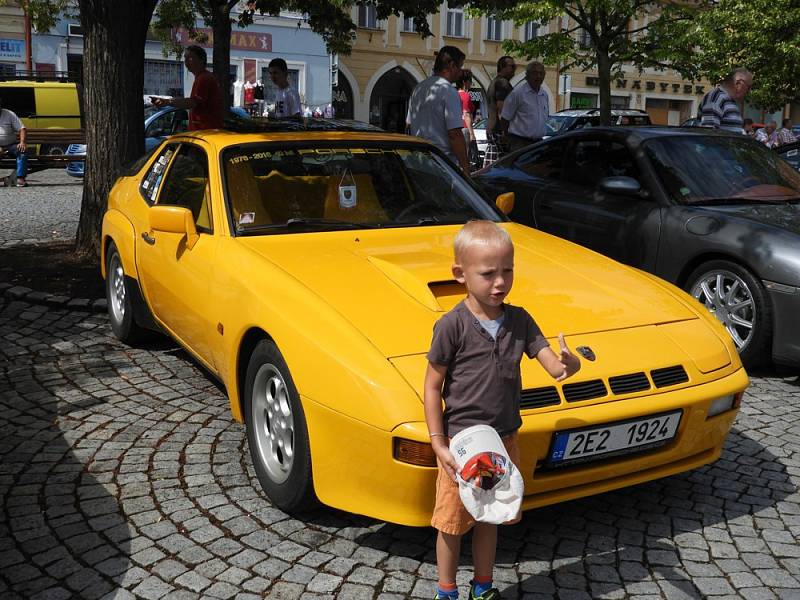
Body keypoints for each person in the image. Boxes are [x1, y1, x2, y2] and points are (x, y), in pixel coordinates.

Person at [424, 220, 581, 600]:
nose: (500, 282)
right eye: (488, 273)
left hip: (503, 440)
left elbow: (554, 367)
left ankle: (483, 586)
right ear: (460, 274)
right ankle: (447, 591)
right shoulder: (451, 326)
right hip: (463, 446)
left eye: (507, 271)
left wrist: (568, 365)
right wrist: (438, 442)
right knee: (451, 522)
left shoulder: (520, 320)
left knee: (489, 515)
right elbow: (432, 386)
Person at [407, 46, 470, 174]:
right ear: (451, 65)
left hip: (418, 162)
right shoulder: (448, 91)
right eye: (460, 67)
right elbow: (454, 135)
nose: (460, 72)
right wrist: (466, 169)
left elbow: (408, 125)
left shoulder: (419, 88)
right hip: (440, 164)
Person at [152, 45, 223, 131]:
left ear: (201, 60)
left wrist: (167, 102)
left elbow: (192, 102)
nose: (186, 61)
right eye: (185, 58)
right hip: (203, 133)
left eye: (190, 58)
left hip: (205, 134)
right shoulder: (202, 78)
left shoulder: (204, 78)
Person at [500, 62, 549, 153]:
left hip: (538, 143)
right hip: (519, 143)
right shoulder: (517, 93)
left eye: (541, 73)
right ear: (527, 75)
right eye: (535, 73)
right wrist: (507, 138)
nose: (538, 76)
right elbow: (505, 118)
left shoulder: (544, 95)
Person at [483, 57, 515, 166]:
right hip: (499, 131)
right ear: (502, 67)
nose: (514, 69)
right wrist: (504, 132)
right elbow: (502, 109)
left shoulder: (495, 82)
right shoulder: (502, 83)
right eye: (511, 66)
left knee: (492, 166)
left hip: (493, 129)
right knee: (502, 167)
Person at [699, 67, 752, 133]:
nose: (749, 91)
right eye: (749, 87)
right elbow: (709, 133)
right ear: (738, 84)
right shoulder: (716, 98)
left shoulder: (729, 101)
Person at [0, 96, 28, 187]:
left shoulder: (9, 114)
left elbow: (22, 129)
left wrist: (22, 142)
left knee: (22, 150)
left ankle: (20, 179)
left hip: (10, 146)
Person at [458, 70, 479, 169]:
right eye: (470, 80)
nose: (471, 83)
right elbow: (466, 114)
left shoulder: (455, 94)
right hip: (464, 129)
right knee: (465, 157)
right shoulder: (465, 95)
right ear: (464, 82)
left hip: (455, 128)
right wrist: (472, 134)